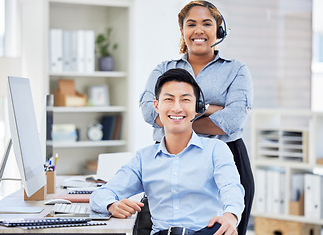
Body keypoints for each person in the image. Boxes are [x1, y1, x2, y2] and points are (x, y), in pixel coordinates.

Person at [139, 0, 254, 235]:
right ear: (182, 31)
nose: (198, 30)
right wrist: (212, 109)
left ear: (218, 30)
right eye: (191, 24)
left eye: (207, 23)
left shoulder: (236, 70)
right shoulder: (163, 68)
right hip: (171, 159)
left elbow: (233, 120)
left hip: (226, 156)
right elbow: (149, 112)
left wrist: (176, 117)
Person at [91, 68, 244, 235]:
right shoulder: (144, 158)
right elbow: (101, 194)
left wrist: (231, 216)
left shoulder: (216, 150)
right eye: (169, 99)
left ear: (197, 107)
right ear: (157, 106)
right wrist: (112, 205)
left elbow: (231, 188)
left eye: (185, 100)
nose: (177, 108)